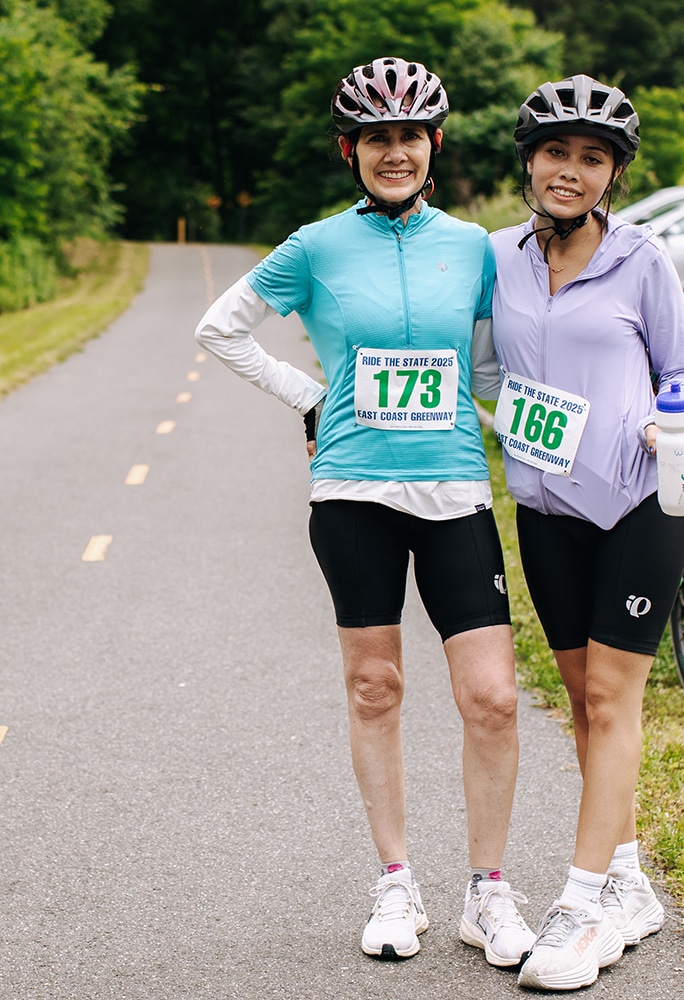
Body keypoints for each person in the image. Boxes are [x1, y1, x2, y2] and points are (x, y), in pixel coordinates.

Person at [194, 56, 535, 968]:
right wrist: (311, 396)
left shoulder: (475, 247)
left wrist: (552, 438)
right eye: (377, 137)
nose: (395, 151)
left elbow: (495, 373)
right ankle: (396, 882)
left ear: (434, 145)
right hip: (352, 494)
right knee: (375, 687)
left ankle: (489, 894)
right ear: (352, 149)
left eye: (410, 135)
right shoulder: (313, 246)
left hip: (455, 487)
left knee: (493, 698)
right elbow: (220, 330)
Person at [488, 75, 684, 991]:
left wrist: (668, 423)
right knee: (581, 701)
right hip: (545, 510)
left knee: (614, 700)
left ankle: (578, 907)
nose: (569, 171)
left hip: (637, 504)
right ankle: (627, 880)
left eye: (591, 158)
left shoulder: (642, 260)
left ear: (612, 174)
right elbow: (479, 363)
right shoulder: (496, 256)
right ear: (529, 163)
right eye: (555, 154)